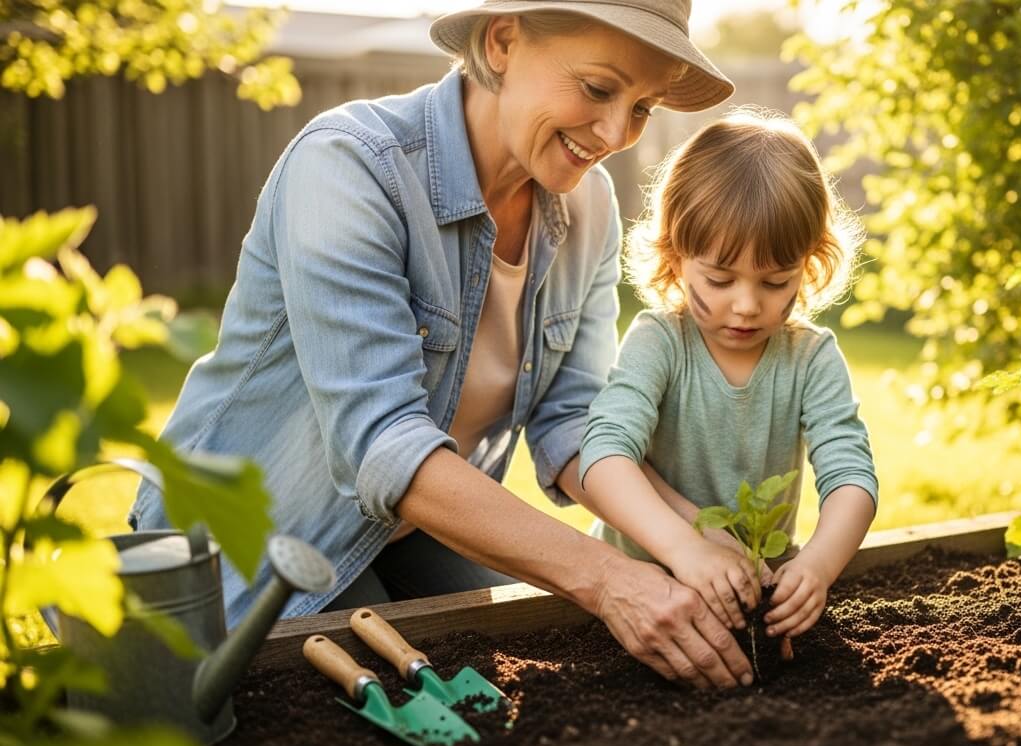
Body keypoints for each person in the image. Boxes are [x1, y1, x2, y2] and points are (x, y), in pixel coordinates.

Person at [130, 0, 759, 690]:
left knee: (517, 674)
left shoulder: (589, 207)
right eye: (599, 89)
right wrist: (609, 578)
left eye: (644, 107)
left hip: (414, 528)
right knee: (378, 704)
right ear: (501, 42)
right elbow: (383, 442)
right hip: (254, 539)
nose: (615, 132)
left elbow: (575, 417)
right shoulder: (350, 166)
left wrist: (690, 529)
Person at [578, 109, 878, 643]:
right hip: (642, 584)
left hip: (754, 592)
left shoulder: (811, 359)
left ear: (810, 266)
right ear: (675, 258)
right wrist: (684, 548)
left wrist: (816, 567)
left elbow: (850, 474)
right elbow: (604, 457)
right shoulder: (660, 341)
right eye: (719, 279)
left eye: (775, 281)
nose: (745, 305)